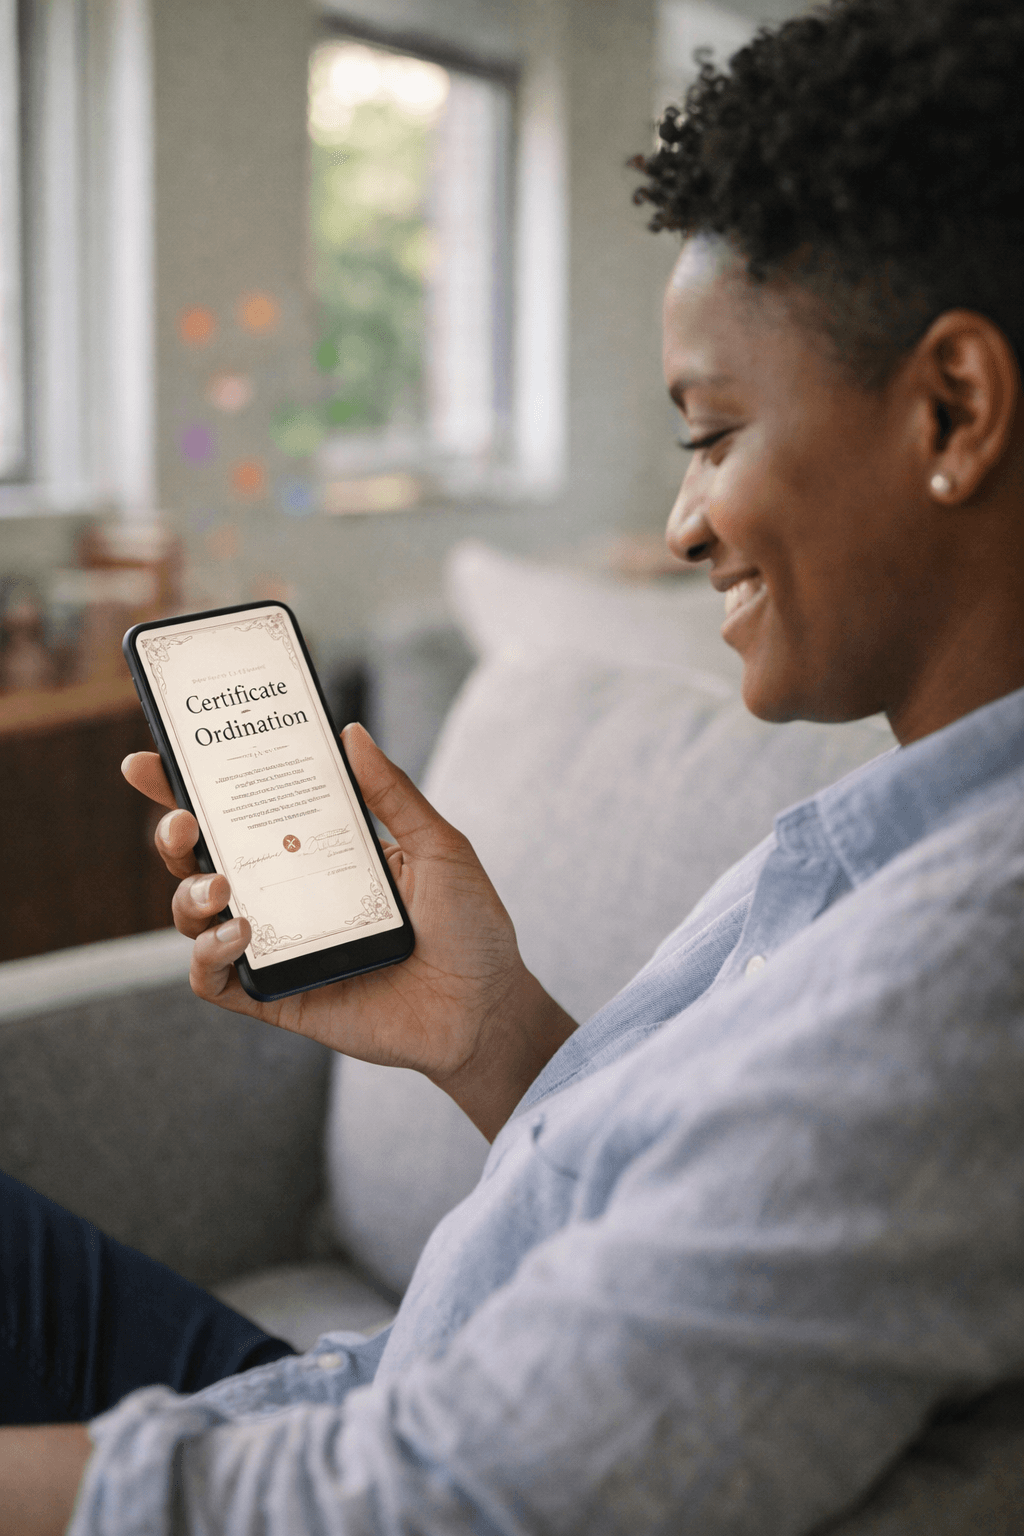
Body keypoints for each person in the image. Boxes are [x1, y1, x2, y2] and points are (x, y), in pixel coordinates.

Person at [4, 0, 1024, 1528]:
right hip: (357, 1386)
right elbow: (684, 1242)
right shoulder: (884, 847)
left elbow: (434, 1503)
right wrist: (489, 1031)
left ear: (952, 408)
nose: (680, 525)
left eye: (714, 429)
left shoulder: (971, 967)